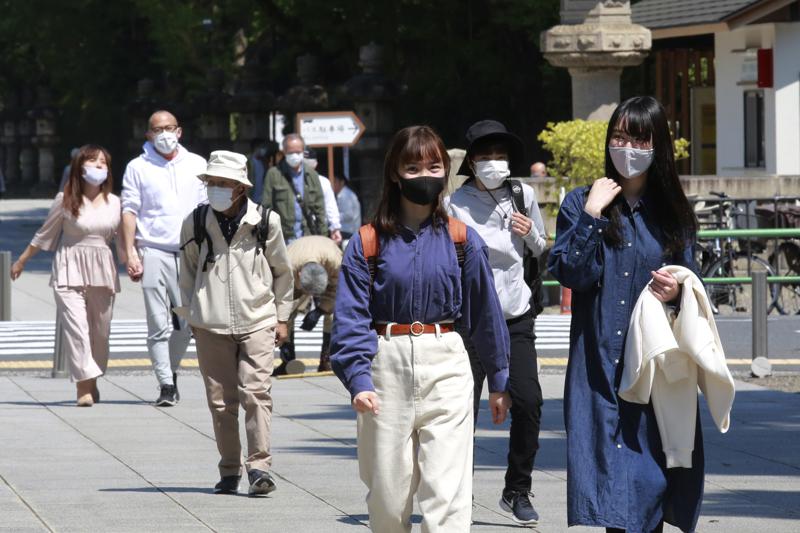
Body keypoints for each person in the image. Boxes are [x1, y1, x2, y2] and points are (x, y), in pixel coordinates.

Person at [330, 125, 512, 532]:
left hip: (446, 360)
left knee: (447, 495)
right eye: (412, 168)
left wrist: (499, 379)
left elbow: (486, 314)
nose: (424, 176)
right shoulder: (367, 242)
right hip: (385, 366)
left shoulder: (463, 239)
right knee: (388, 499)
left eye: (434, 166)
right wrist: (358, 379)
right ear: (395, 174)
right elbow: (350, 317)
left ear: (446, 172)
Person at [547, 96, 702, 533]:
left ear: (657, 145)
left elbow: (691, 284)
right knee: (612, 482)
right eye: (619, 137)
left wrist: (676, 292)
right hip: (597, 366)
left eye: (639, 139)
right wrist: (593, 214)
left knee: (650, 480)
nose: (627, 148)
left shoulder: (672, 213)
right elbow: (572, 273)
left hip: (653, 368)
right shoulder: (580, 203)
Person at [445, 119, 547, 526]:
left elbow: (541, 247)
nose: (493, 162)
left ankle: (517, 489)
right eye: (485, 156)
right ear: (471, 161)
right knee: (460, 411)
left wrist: (531, 233)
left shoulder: (524, 195)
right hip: (470, 321)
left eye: (500, 155)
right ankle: (458, 491)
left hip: (515, 315)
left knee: (529, 401)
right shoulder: (455, 204)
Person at [179, 150, 293, 496]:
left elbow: (282, 271)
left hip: (258, 317)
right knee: (220, 402)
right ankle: (229, 468)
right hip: (210, 322)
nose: (215, 188)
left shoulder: (266, 221)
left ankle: (259, 467)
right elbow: (187, 270)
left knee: (256, 393)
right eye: (211, 182)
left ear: (240, 188)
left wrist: (283, 317)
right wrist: (190, 313)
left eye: (223, 183)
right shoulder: (196, 221)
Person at [11, 145, 122, 406]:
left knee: (100, 333)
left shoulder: (115, 202)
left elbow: (123, 240)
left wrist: (133, 261)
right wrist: (22, 260)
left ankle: (92, 380)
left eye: (103, 162)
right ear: (79, 167)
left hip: (102, 269)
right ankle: (83, 388)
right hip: (69, 267)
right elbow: (45, 233)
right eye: (92, 161)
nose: (98, 166)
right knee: (77, 330)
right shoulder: (65, 199)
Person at [121, 110, 207, 406]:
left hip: (189, 252)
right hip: (153, 250)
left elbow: (206, 208)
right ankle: (166, 384)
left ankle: (170, 370)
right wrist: (130, 252)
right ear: (148, 134)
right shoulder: (138, 167)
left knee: (185, 324)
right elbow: (129, 210)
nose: (164, 134)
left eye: (169, 128)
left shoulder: (197, 164)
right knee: (158, 323)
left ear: (179, 131)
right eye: (157, 129)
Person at [283, 235, 342, 374]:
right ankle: (287, 358)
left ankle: (326, 359)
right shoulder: (287, 267)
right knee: (287, 310)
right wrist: (284, 338)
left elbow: (337, 291)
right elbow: (282, 303)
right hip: (296, 259)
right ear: (299, 275)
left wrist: (320, 310)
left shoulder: (336, 264)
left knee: (334, 313)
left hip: (327, 253)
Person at [260, 134, 328, 243]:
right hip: (283, 237)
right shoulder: (273, 174)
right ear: (284, 152)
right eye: (291, 152)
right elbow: (266, 207)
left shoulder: (312, 175)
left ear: (303, 151)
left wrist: (324, 237)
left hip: (307, 236)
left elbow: (320, 209)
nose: (295, 155)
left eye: (298, 152)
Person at [304, 147, 343, 245]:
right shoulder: (290, 181)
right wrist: (335, 228)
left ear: (315, 164)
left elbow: (330, 206)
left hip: (318, 229)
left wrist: (335, 227)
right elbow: (331, 207)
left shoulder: (323, 182)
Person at [332, 172, 361, 239]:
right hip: (347, 230)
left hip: (348, 231)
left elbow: (348, 215)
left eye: (335, 181)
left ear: (342, 182)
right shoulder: (343, 194)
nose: (332, 184)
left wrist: (333, 217)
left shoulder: (345, 195)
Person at [248, 138, 268, 203]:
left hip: (261, 199)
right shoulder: (247, 161)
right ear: (256, 148)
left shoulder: (264, 162)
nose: (264, 150)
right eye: (262, 147)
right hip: (251, 198)